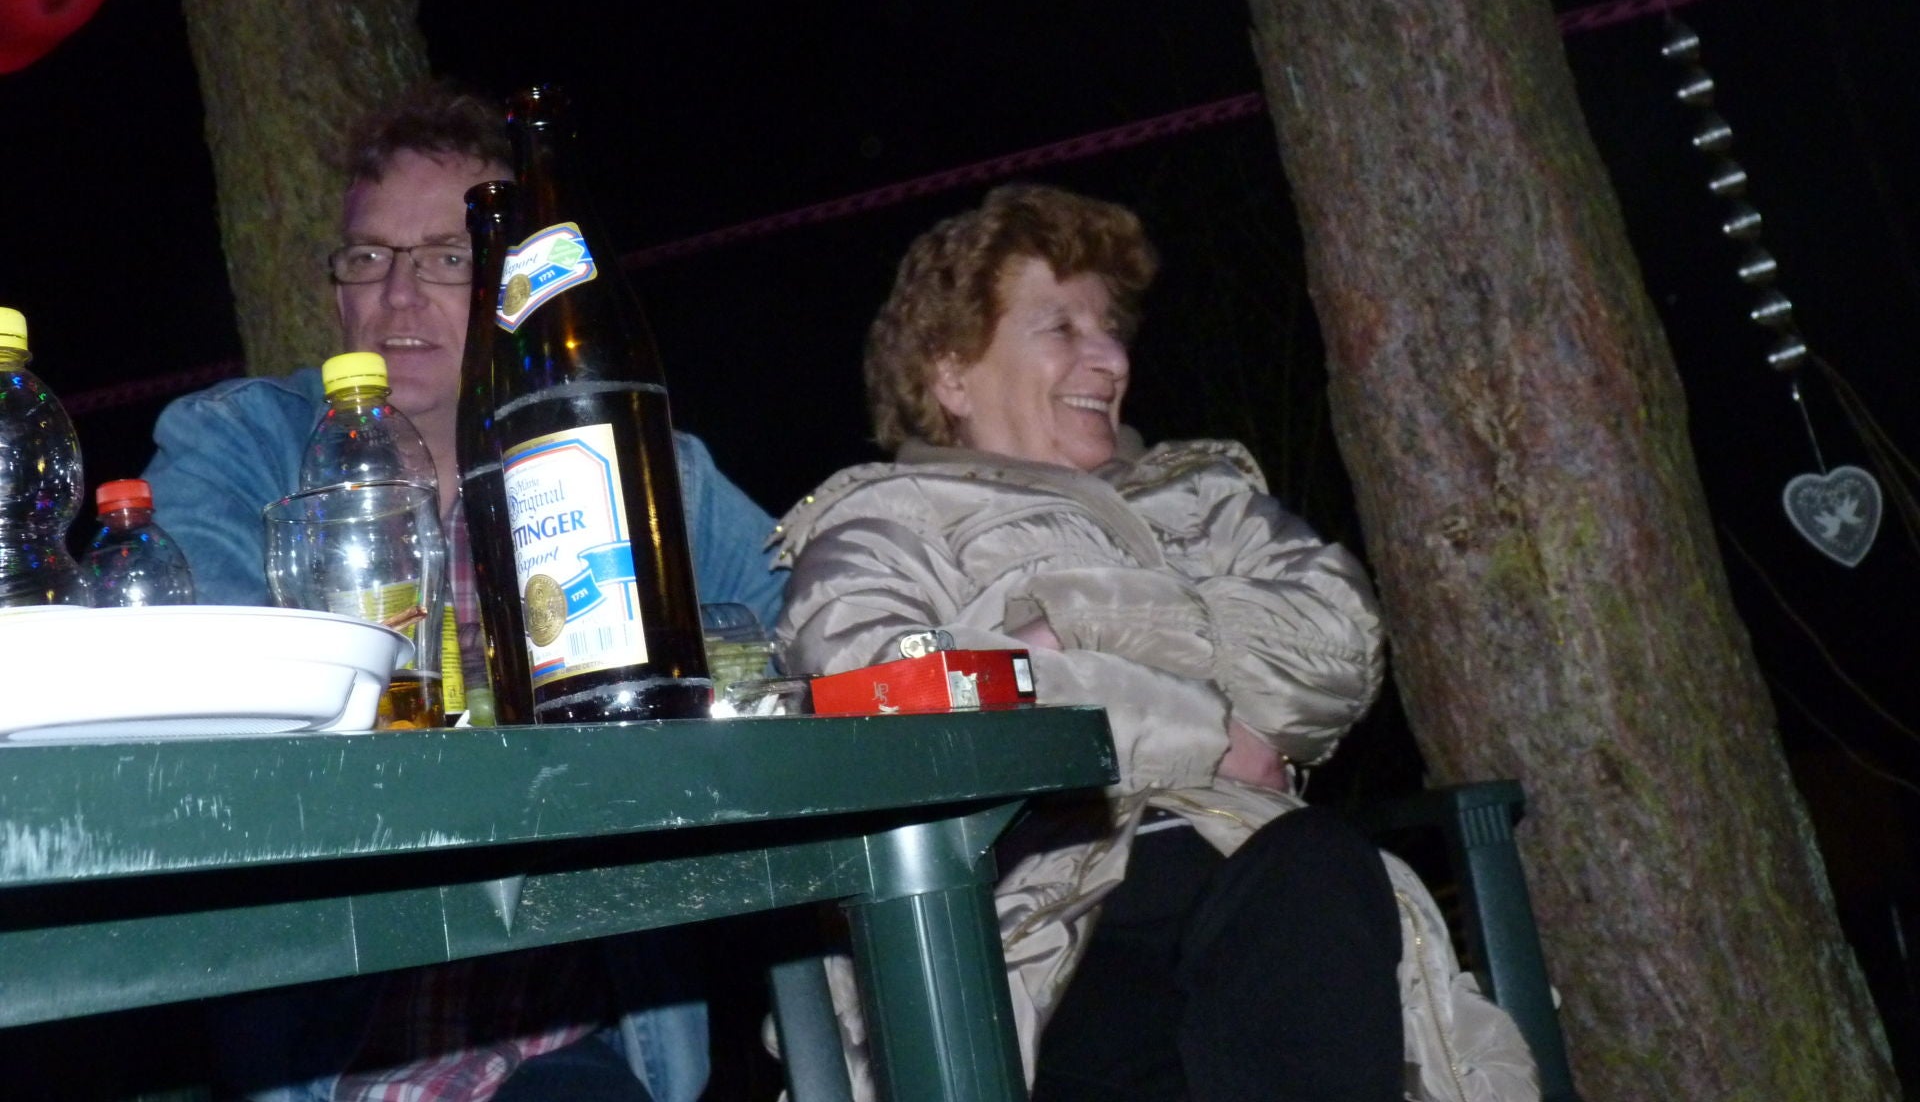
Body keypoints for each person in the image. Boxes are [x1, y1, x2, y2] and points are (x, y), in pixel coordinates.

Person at [773, 185, 1538, 1102]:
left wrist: (1084, 622)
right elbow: (906, 704)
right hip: (1033, 924)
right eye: (1060, 327)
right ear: (952, 376)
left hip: (1256, 883)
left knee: (1311, 876)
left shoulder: (1209, 496)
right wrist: (1208, 729)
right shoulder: (880, 526)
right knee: (1303, 886)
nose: (1108, 357)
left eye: (1110, 328)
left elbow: (1335, 649)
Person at [144, 81, 786, 1102]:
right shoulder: (239, 443)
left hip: (568, 1038)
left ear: (516, 281)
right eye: (369, 258)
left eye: (448, 258)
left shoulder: (633, 460)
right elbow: (213, 681)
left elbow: (801, 619)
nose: (399, 296)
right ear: (337, 291)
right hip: (333, 1041)